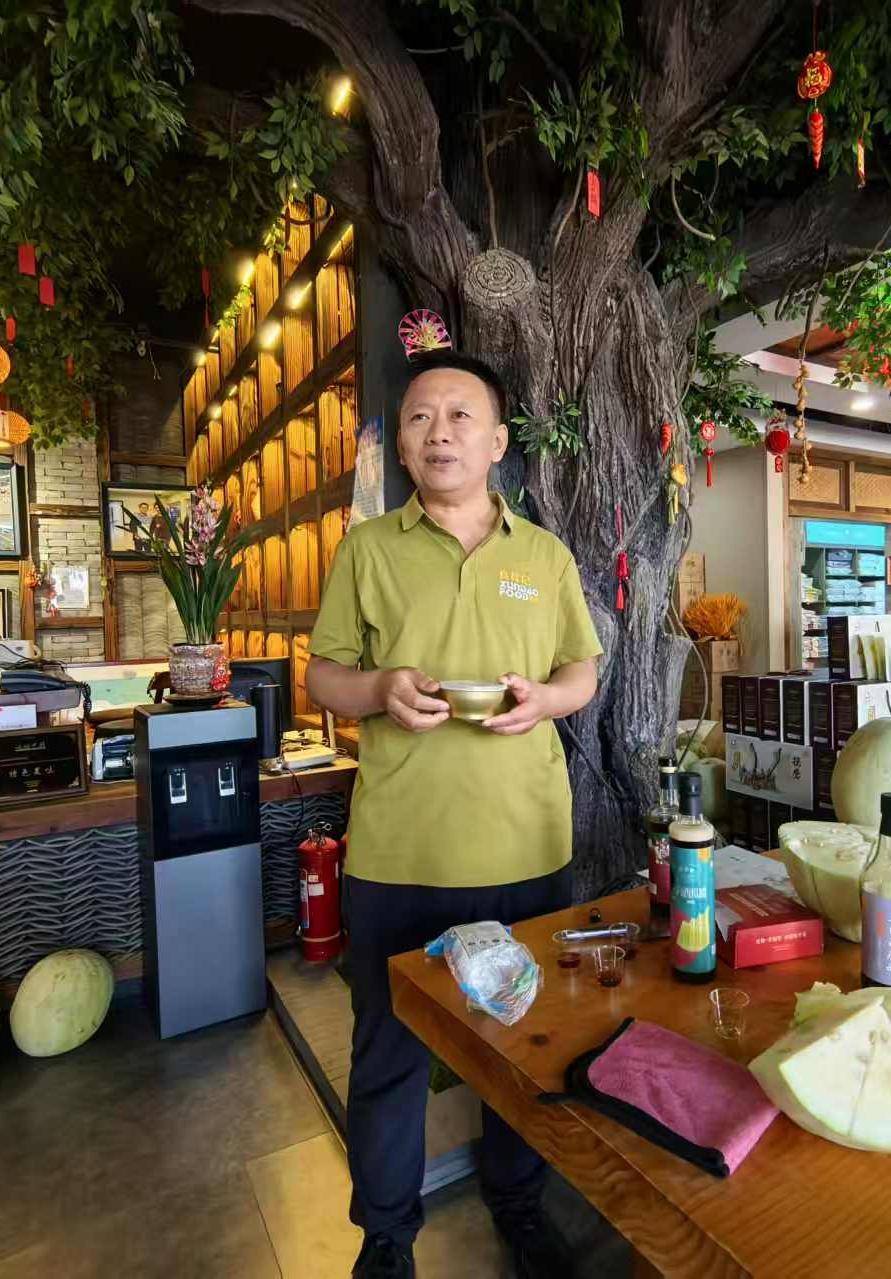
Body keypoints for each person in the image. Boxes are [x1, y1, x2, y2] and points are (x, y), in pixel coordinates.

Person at [306, 351, 601, 1279]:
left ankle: (519, 1206)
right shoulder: (366, 549)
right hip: (401, 850)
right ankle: (386, 1238)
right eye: (421, 417)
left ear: (499, 441)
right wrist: (380, 688)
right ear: (401, 445)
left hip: (527, 844)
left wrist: (547, 701)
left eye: (460, 416)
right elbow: (322, 674)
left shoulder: (544, 556)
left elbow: (582, 669)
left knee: (524, 1046)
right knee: (388, 1052)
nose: (440, 432)